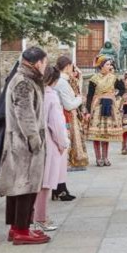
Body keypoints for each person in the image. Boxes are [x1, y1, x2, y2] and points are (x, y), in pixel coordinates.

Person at [0, 46, 50, 245]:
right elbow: (25, 115)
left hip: (20, 143)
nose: (46, 65)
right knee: (25, 187)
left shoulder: (27, 79)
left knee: (19, 186)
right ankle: (21, 229)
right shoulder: (24, 82)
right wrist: (35, 141)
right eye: (44, 62)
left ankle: (17, 227)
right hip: (24, 144)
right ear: (36, 63)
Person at [33, 66, 69, 232]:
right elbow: (57, 124)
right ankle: (41, 217)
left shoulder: (33, 92)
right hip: (48, 140)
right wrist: (63, 143)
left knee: (35, 181)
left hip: (32, 139)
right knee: (45, 182)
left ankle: (32, 215)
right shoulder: (51, 96)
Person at [86, 55, 125, 166]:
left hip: (109, 106)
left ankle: (105, 157)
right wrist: (88, 111)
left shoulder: (113, 78)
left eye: (110, 64)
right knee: (96, 133)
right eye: (107, 64)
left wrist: (115, 95)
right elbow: (89, 95)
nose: (109, 66)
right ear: (101, 66)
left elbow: (122, 89)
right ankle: (98, 158)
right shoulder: (94, 79)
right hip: (97, 107)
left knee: (106, 133)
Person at [53, 56, 83, 200]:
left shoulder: (60, 81)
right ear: (68, 66)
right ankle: (60, 188)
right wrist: (79, 98)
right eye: (72, 67)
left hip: (61, 118)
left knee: (61, 155)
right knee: (62, 154)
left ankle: (59, 187)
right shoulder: (62, 83)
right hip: (63, 119)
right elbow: (69, 105)